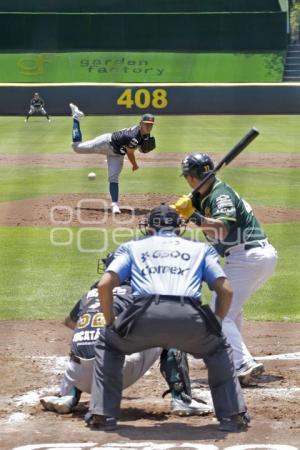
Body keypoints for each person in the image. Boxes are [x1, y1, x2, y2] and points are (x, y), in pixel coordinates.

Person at [86, 204, 249, 433]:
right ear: (178, 226)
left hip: (143, 316)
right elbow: (226, 290)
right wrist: (216, 323)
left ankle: (103, 414)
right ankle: (232, 416)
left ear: (150, 226)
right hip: (190, 319)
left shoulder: (132, 247)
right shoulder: (201, 249)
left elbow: (105, 284)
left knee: (108, 343)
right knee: (218, 347)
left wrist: (111, 321)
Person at [40, 253, 211, 417]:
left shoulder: (90, 295)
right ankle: (182, 399)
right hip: (116, 375)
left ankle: (67, 395)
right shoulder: (141, 292)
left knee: (86, 337)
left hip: (78, 377)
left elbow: (70, 323)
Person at [173, 153, 278, 385]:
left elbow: (221, 230)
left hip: (247, 257)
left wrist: (192, 215)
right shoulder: (205, 195)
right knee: (232, 311)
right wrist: (184, 214)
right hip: (250, 257)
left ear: (191, 178)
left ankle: (243, 364)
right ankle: (233, 358)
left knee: (217, 315)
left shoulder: (220, 195)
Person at [69, 103, 156, 214]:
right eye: (146, 124)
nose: (149, 126)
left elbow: (136, 146)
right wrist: (134, 164)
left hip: (117, 154)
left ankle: (114, 205)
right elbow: (130, 153)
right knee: (77, 148)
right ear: (140, 124)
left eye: (151, 125)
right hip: (106, 143)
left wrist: (142, 148)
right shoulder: (133, 136)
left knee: (113, 178)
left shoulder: (145, 134)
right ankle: (76, 116)